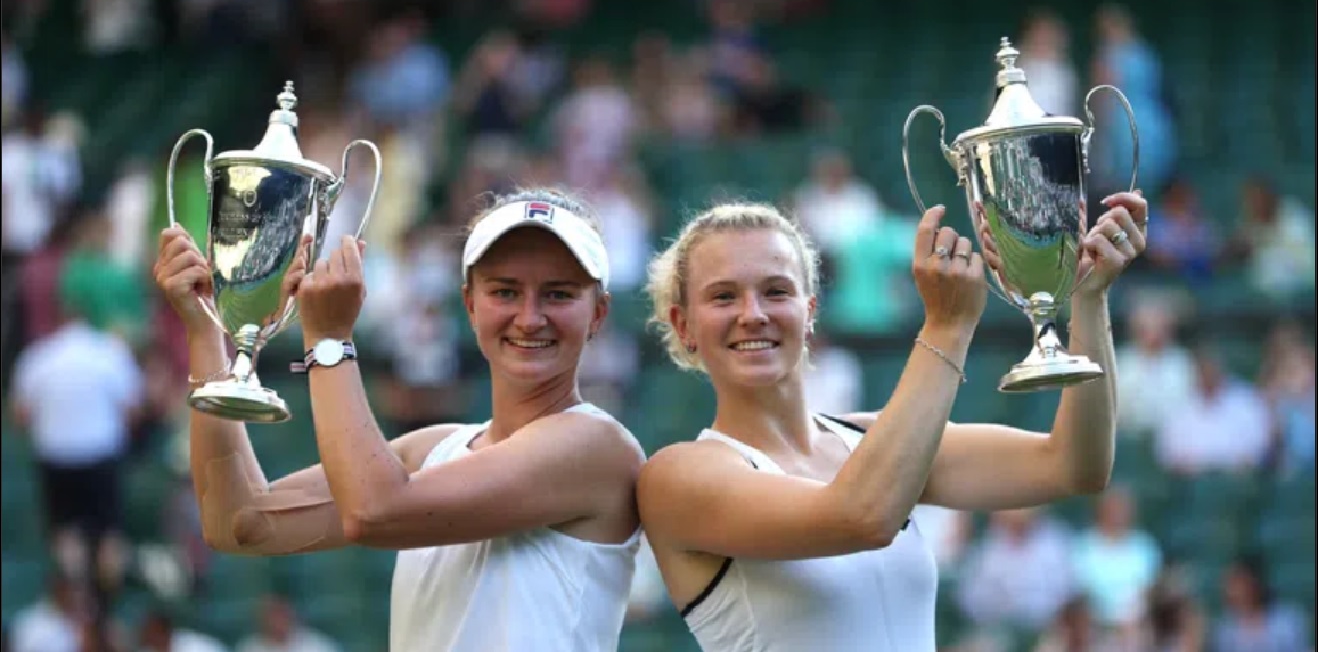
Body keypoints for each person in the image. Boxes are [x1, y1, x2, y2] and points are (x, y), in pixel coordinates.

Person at [637, 192, 1148, 651]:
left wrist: (1088, 296)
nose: (753, 314)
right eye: (723, 296)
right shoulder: (677, 478)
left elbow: (1073, 465)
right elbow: (862, 516)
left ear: (810, 310)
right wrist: (946, 328)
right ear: (684, 326)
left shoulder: (874, 440)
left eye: (776, 291)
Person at [152, 188, 645, 652]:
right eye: (505, 291)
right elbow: (241, 523)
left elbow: (373, 510)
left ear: (598, 313)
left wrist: (329, 341)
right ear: (470, 305)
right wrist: (204, 329)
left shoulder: (596, 444)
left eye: (558, 294)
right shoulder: (434, 449)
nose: (530, 316)